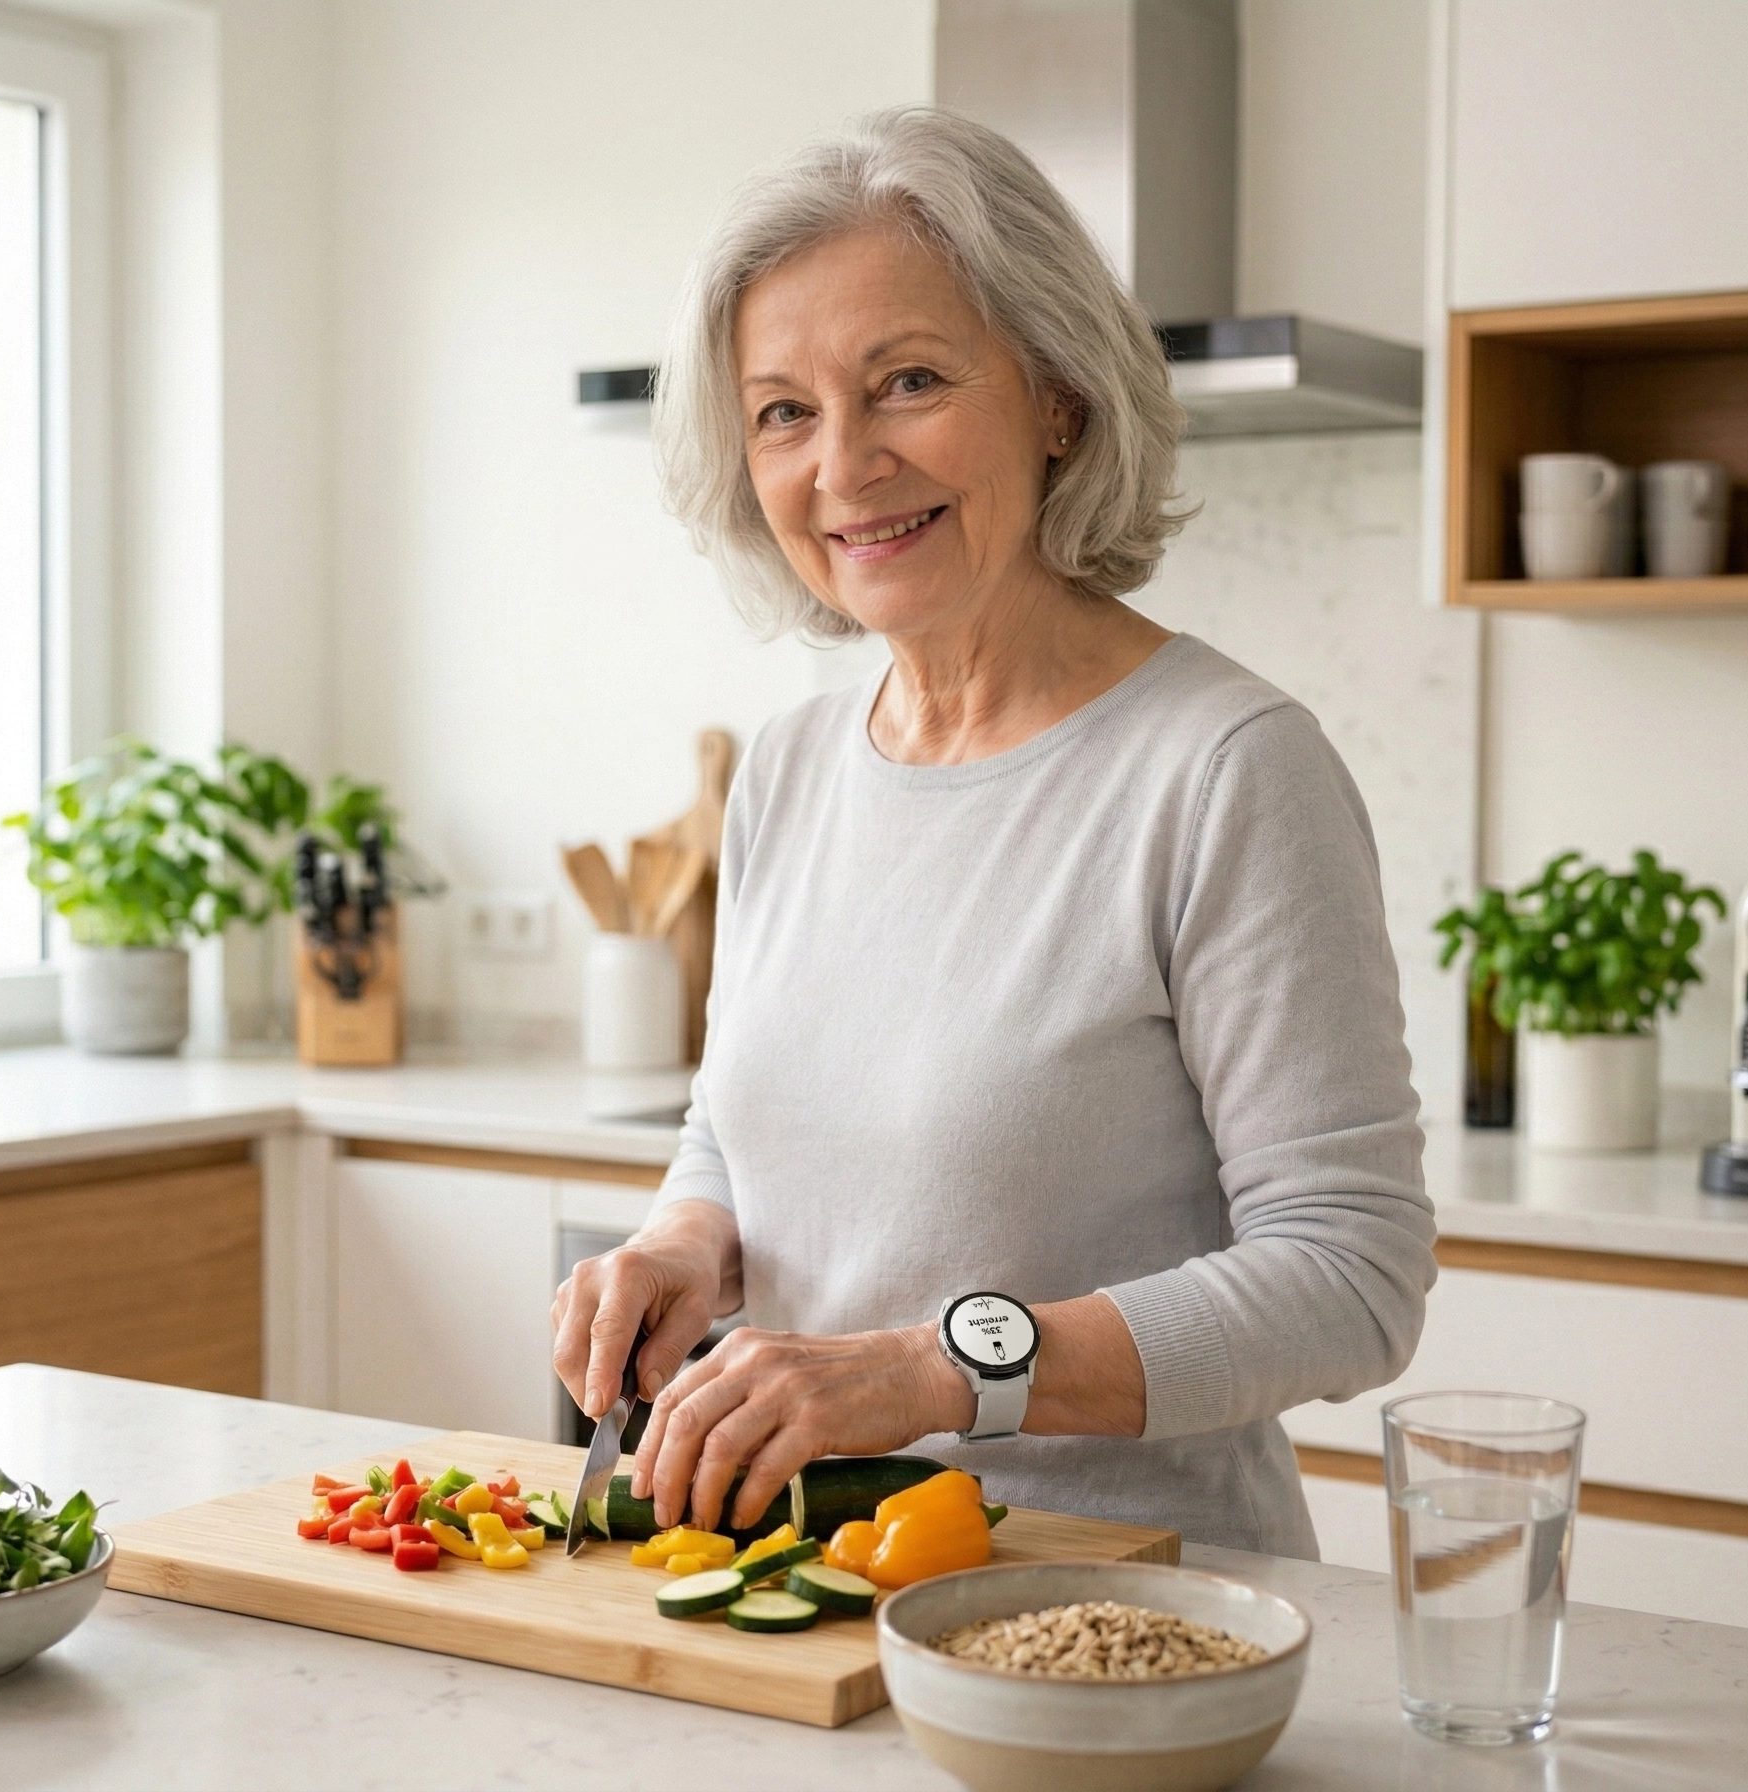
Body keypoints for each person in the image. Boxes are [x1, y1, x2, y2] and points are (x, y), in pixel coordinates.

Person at [551, 107, 1433, 1558]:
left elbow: (1352, 1277)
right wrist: (681, 1245)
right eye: (783, 410)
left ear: (1058, 399)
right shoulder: (786, 770)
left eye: (905, 383)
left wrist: (920, 1373)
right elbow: (739, 1128)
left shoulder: (1224, 769)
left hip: (1124, 1612)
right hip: (811, 1585)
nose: (843, 466)